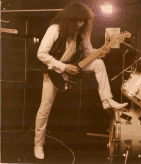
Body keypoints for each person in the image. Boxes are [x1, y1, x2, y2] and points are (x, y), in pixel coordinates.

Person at [34, 2, 128, 159]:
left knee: (98, 63)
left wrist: (103, 49)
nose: (82, 24)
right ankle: (38, 144)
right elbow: (41, 54)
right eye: (78, 20)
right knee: (44, 108)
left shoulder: (82, 33)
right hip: (54, 71)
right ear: (69, 19)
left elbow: (88, 52)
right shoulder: (55, 29)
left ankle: (107, 100)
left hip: (74, 67)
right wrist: (63, 67)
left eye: (84, 21)